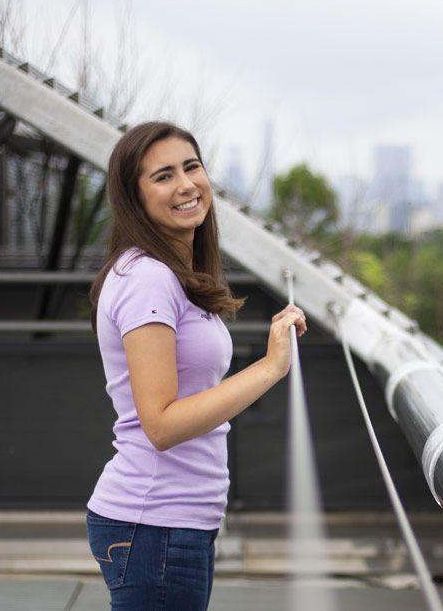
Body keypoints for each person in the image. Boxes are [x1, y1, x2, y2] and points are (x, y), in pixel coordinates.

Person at [85, 121, 307, 610]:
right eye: (163, 176)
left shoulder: (173, 274)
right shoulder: (147, 278)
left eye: (191, 166)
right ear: (134, 199)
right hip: (153, 522)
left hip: (177, 520)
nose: (186, 184)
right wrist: (270, 367)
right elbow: (161, 424)